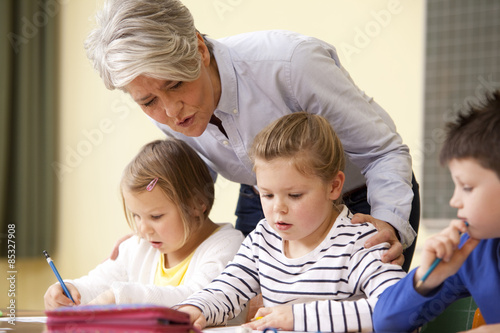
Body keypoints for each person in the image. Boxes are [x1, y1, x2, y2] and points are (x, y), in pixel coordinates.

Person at [85, 0, 420, 271]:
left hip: (365, 196)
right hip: (262, 199)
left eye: (175, 85)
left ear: (200, 49)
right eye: (149, 101)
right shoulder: (165, 109)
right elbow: (192, 182)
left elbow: (384, 151)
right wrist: (150, 228)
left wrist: (388, 221)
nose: (171, 112)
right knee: (253, 311)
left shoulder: (291, 64)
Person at [175, 112, 406, 332]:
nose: (278, 208)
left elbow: (398, 309)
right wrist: (194, 309)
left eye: (294, 195)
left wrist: (297, 317)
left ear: (334, 186)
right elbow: (226, 288)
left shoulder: (361, 242)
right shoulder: (263, 238)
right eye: (267, 195)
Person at [44, 139, 244, 310]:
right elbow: (98, 284)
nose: (142, 229)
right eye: (136, 216)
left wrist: (121, 297)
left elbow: (199, 298)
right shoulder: (140, 246)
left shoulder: (228, 246)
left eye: (155, 216)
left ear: (197, 204)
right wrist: (70, 289)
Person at [373, 91, 500, 332]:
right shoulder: (471, 250)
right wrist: (425, 279)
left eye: (467, 187)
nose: (454, 201)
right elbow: (385, 323)